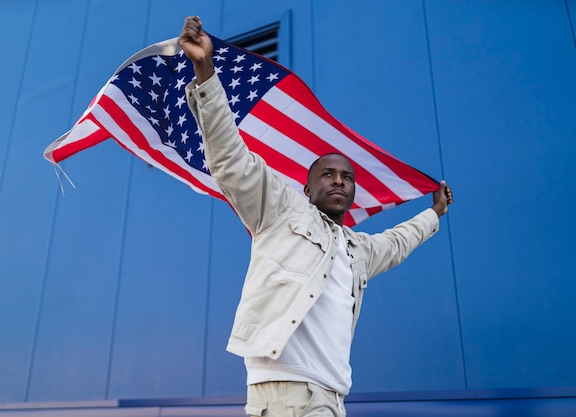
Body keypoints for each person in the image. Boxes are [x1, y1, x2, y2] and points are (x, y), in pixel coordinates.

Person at [179, 16, 453, 417]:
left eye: (347, 177)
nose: (339, 181)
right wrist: (206, 72)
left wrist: (434, 213)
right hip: (284, 393)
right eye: (328, 174)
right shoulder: (280, 209)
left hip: (331, 399)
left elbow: (397, 243)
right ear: (308, 189)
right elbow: (230, 159)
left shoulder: (358, 249)